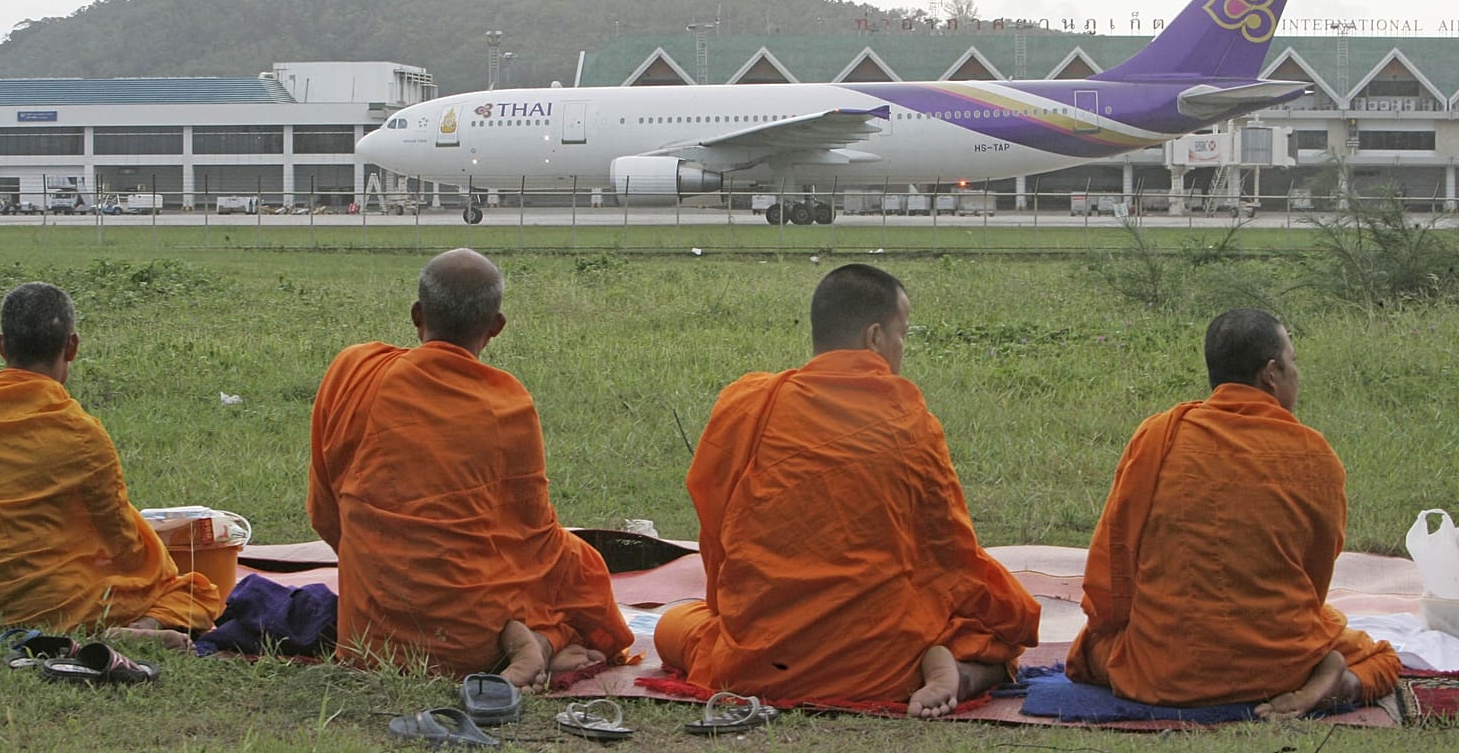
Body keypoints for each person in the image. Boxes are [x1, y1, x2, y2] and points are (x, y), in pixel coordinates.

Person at [655, 263, 1040, 717]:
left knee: (672, 625)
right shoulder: (909, 420)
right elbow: (948, 552)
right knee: (1003, 624)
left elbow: (716, 529)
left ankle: (937, 658)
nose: (902, 348)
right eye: (903, 334)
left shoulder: (750, 402)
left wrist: (732, 611)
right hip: (880, 665)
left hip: (756, 662)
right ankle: (955, 666)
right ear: (875, 338)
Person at [307, 248, 632, 689]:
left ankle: (534, 641)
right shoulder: (507, 402)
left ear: (416, 314)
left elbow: (326, 512)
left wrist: (379, 566)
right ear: (496, 327)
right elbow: (530, 538)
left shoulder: (355, 371)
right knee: (582, 570)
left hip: (371, 638)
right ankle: (543, 640)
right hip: (476, 639)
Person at [1066, 308, 1400, 717]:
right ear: (1271, 373)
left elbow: (1114, 561)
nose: (1297, 375)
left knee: (1091, 650)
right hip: (1279, 665)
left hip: (1164, 671)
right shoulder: (1315, 455)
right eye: (1294, 363)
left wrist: (1125, 623)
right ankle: (1343, 684)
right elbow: (1315, 575)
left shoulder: (1159, 435)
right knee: (1381, 659)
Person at [0, 282, 221, 645]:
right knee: (196, 593)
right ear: (73, 347)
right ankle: (145, 625)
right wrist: (161, 570)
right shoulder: (82, 433)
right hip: (59, 609)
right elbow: (124, 543)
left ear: (1, 346)